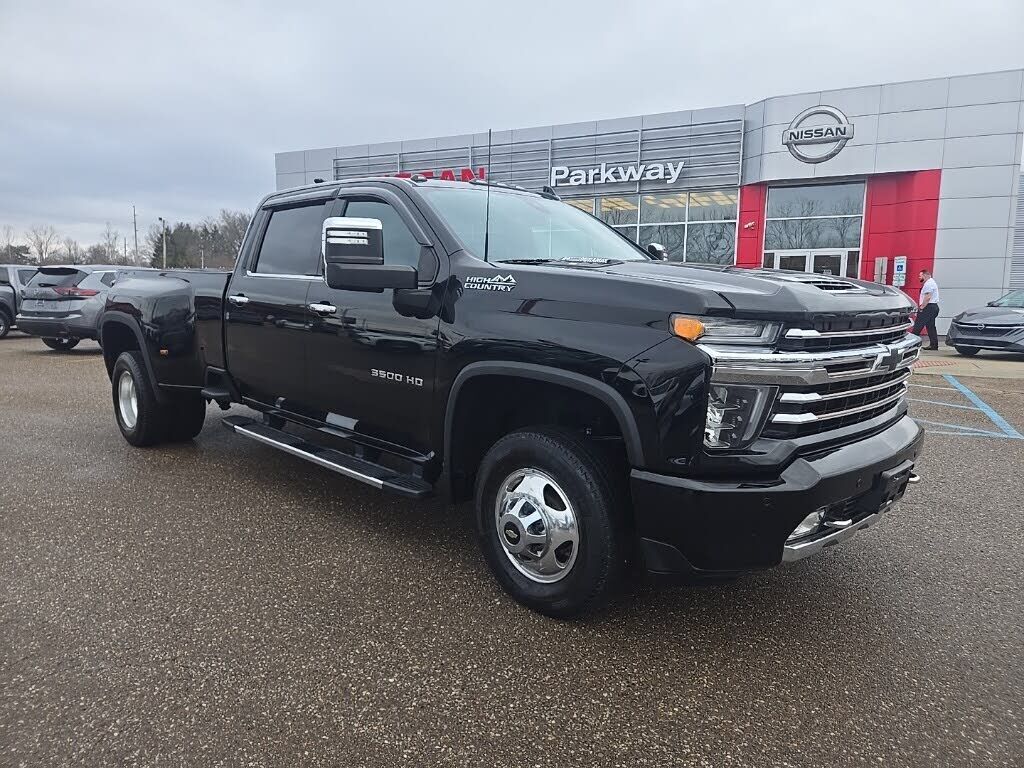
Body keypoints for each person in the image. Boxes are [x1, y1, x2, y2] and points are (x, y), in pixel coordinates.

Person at [913, 269, 940, 350]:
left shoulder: (929, 284)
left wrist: (921, 307)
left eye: (920, 275)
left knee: (918, 326)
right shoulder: (931, 283)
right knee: (931, 327)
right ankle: (934, 345)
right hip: (933, 307)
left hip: (928, 307)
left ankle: (912, 345)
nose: (919, 277)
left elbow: (928, 296)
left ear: (925, 275)